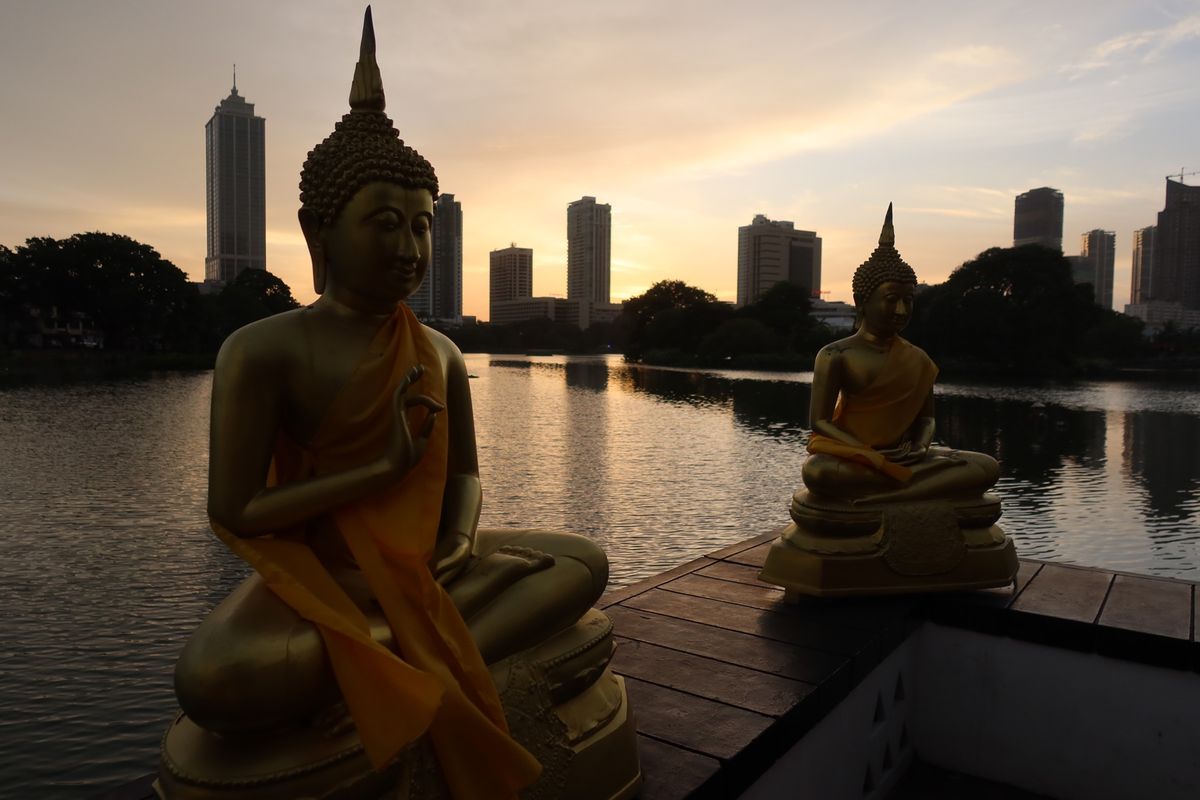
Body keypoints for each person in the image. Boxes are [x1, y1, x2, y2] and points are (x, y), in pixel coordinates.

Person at [172, 10, 608, 799]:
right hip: (324, 577)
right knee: (216, 677)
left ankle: (391, 660)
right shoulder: (262, 349)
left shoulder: (439, 350)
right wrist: (376, 471)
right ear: (318, 231)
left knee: (584, 563)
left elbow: (464, 477)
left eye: (422, 226)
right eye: (384, 225)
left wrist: (459, 542)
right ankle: (410, 645)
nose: (409, 249)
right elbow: (236, 510)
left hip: (428, 566)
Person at [801, 205, 999, 505]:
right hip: (858, 456)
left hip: (906, 456)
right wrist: (869, 453)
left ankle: (896, 490)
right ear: (862, 300)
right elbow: (820, 422)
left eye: (909, 300)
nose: (901, 310)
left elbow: (927, 419)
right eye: (892, 299)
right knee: (818, 472)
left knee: (986, 466)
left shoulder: (917, 358)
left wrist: (919, 447)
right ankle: (911, 488)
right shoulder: (835, 354)